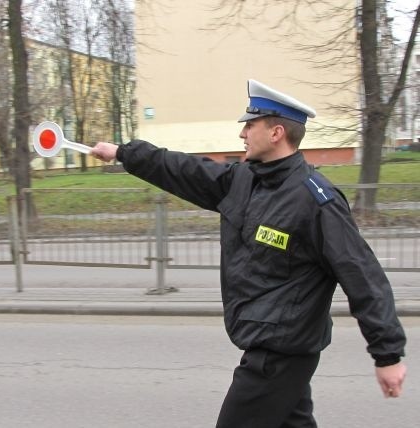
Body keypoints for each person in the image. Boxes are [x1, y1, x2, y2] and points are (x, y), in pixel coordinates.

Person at [90, 79, 407, 427]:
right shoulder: (242, 180)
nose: (242, 133)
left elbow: (362, 275)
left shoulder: (316, 200)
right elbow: (182, 169)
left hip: (280, 354)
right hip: (271, 345)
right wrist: (123, 153)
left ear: (276, 133)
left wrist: (387, 354)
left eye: (250, 124)